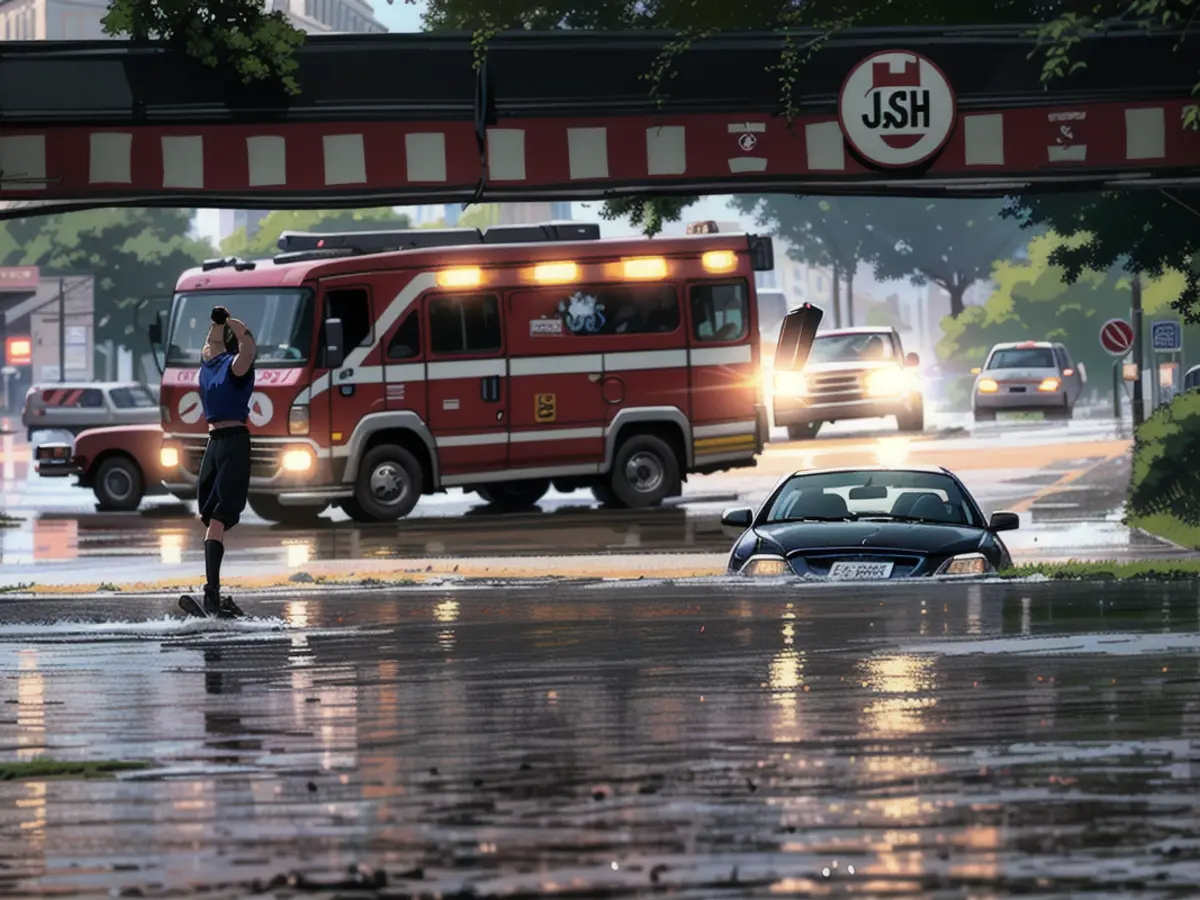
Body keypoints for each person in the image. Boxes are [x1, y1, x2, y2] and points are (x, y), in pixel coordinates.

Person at [190, 306, 256, 618]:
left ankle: (213, 593)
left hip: (232, 443)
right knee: (211, 518)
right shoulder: (217, 363)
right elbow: (247, 345)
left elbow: (244, 349)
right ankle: (214, 594)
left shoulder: (224, 365)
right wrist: (228, 322)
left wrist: (220, 322)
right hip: (216, 444)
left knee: (218, 517)